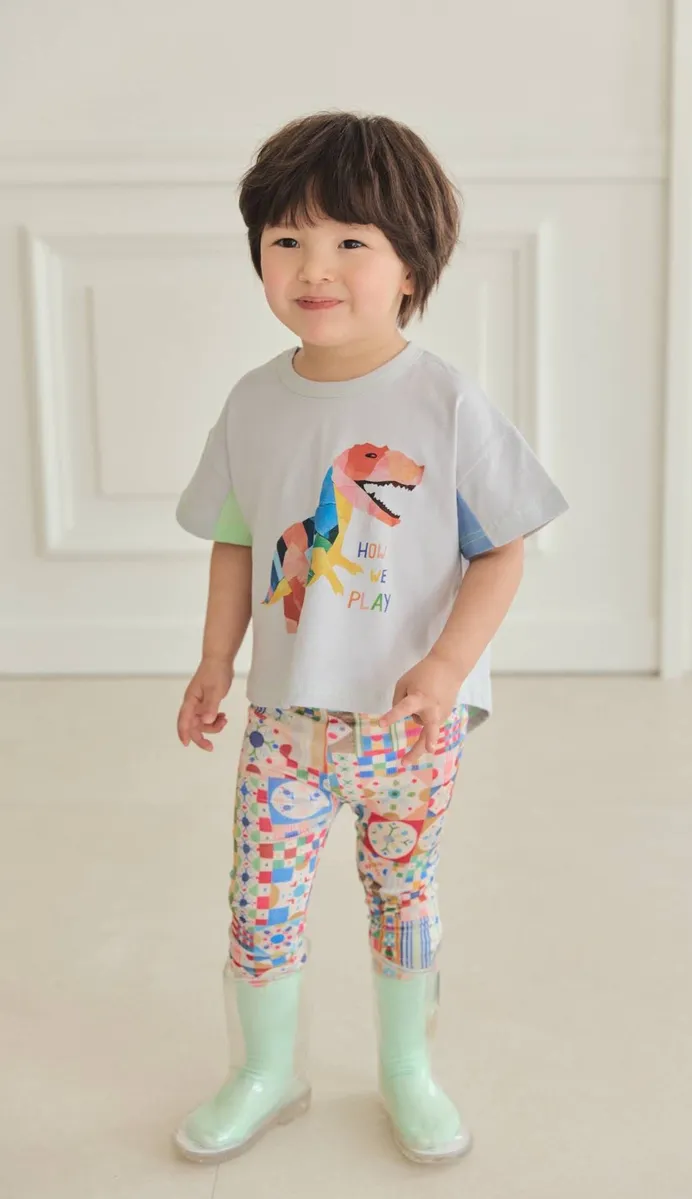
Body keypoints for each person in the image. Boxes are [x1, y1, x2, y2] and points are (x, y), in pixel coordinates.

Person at [172, 110, 568, 1166]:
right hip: (284, 724)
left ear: (410, 267)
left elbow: (503, 548)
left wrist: (445, 666)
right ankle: (266, 1070)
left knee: (402, 896)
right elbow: (235, 542)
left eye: (350, 240)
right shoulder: (253, 403)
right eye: (287, 239)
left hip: (406, 726)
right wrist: (215, 661)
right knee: (261, 906)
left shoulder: (445, 402)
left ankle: (406, 1069)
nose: (315, 266)